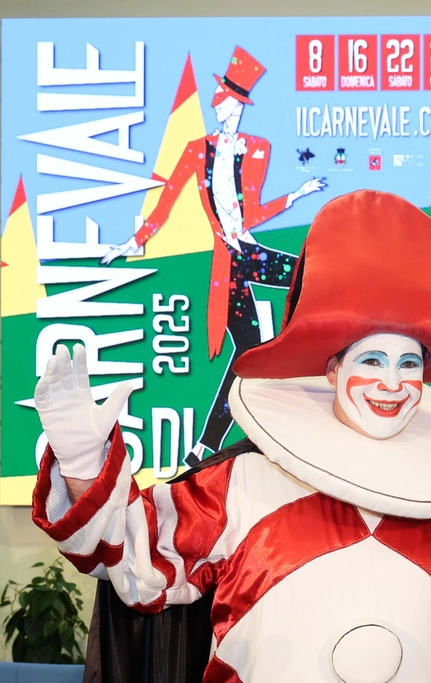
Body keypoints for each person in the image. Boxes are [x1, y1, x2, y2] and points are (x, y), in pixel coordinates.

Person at [37, 190, 431, 683]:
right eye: (372, 360)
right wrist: (83, 460)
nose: (392, 382)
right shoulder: (246, 481)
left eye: (410, 363)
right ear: (331, 369)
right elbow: (136, 563)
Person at [102, 46, 326, 460]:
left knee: (314, 276)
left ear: (238, 105)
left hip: (249, 252)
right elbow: (167, 198)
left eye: (227, 99)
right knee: (249, 350)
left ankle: (216, 440)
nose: (220, 105)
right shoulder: (196, 149)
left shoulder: (257, 148)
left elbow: (252, 212)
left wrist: (295, 196)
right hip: (230, 264)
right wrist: (135, 241)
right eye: (220, 98)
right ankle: (217, 442)